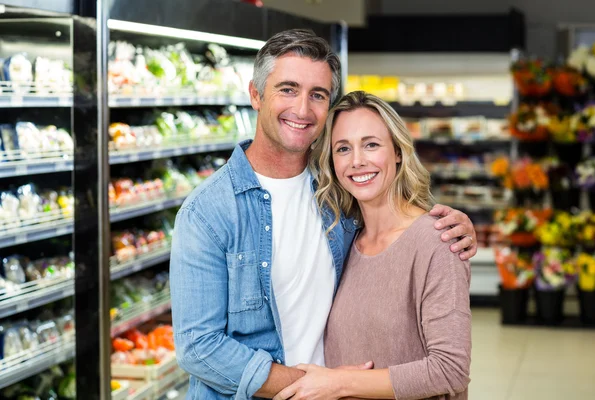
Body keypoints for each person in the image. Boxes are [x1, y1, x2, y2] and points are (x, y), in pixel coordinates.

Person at [170, 29, 477, 400]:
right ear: (255, 94)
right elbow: (199, 347)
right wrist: (308, 384)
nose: (302, 109)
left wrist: (447, 226)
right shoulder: (207, 212)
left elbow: (394, 221)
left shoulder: (336, 194)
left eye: (317, 95)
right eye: (287, 89)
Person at [273, 91, 471, 400]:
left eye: (371, 144)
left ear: (397, 151)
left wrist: (336, 384)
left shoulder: (437, 240)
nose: (357, 161)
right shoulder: (344, 240)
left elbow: (451, 369)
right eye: (343, 148)